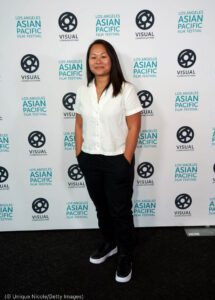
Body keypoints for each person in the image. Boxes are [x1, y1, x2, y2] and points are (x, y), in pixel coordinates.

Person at [74, 39, 142, 283]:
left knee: (120, 209)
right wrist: (79, 152)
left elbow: (134, 126)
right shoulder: (83, 91)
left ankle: (125, 254)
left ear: (111, 60)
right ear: (88, 62)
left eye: (103, 56)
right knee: (101, 206)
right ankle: (110, 242)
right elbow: (79, 123)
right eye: (94, 57)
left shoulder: (126, 90)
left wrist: (126, 159)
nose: (98, 61)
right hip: (90, 158)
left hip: (117, 159)